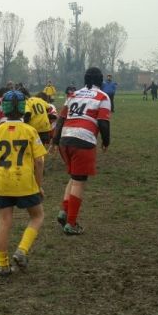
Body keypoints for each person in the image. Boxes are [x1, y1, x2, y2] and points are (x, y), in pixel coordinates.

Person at [0, 90, 46, 277]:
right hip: (25, 181)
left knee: (4, 220)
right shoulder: (30, 131)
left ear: (4, 110)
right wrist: (38, 185)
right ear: (24, 109)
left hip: (2, 183)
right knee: (37, 216)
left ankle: (2, 264)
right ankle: (22, 250)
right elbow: (40, 161)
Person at [51, 67, 111, 235]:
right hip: (83, 139)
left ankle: (64, 212)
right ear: (100, 81)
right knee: (79, 181)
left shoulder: (73, 94)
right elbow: (104, 123)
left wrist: (55, 141)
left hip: (65, 139)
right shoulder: (102, 97)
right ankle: (71, 223)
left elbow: (61, 118)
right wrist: (106, 142)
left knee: (74, 177)